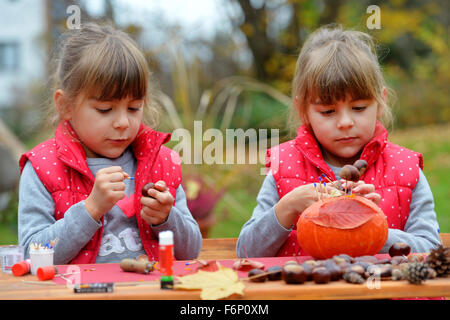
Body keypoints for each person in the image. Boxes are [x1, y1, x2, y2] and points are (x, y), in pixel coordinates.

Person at [237, 25, 441, 258]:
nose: (345, 122)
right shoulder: (282, 168)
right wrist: (287, 207)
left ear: (380, 102)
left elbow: (430, 250)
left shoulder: (405, 169)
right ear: (303, 110)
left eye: (358, 108)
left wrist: (370, 228)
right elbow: (246, 251)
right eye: (327, 111)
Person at [18, 23, 202, 264]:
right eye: (105, 109)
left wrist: (166, 218)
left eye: (134, 108)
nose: (123, 122)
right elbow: (33, 256)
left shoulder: (161, 163)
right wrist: (90, 209)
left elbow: (191, 252)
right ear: (65, 106)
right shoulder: (44, 169)